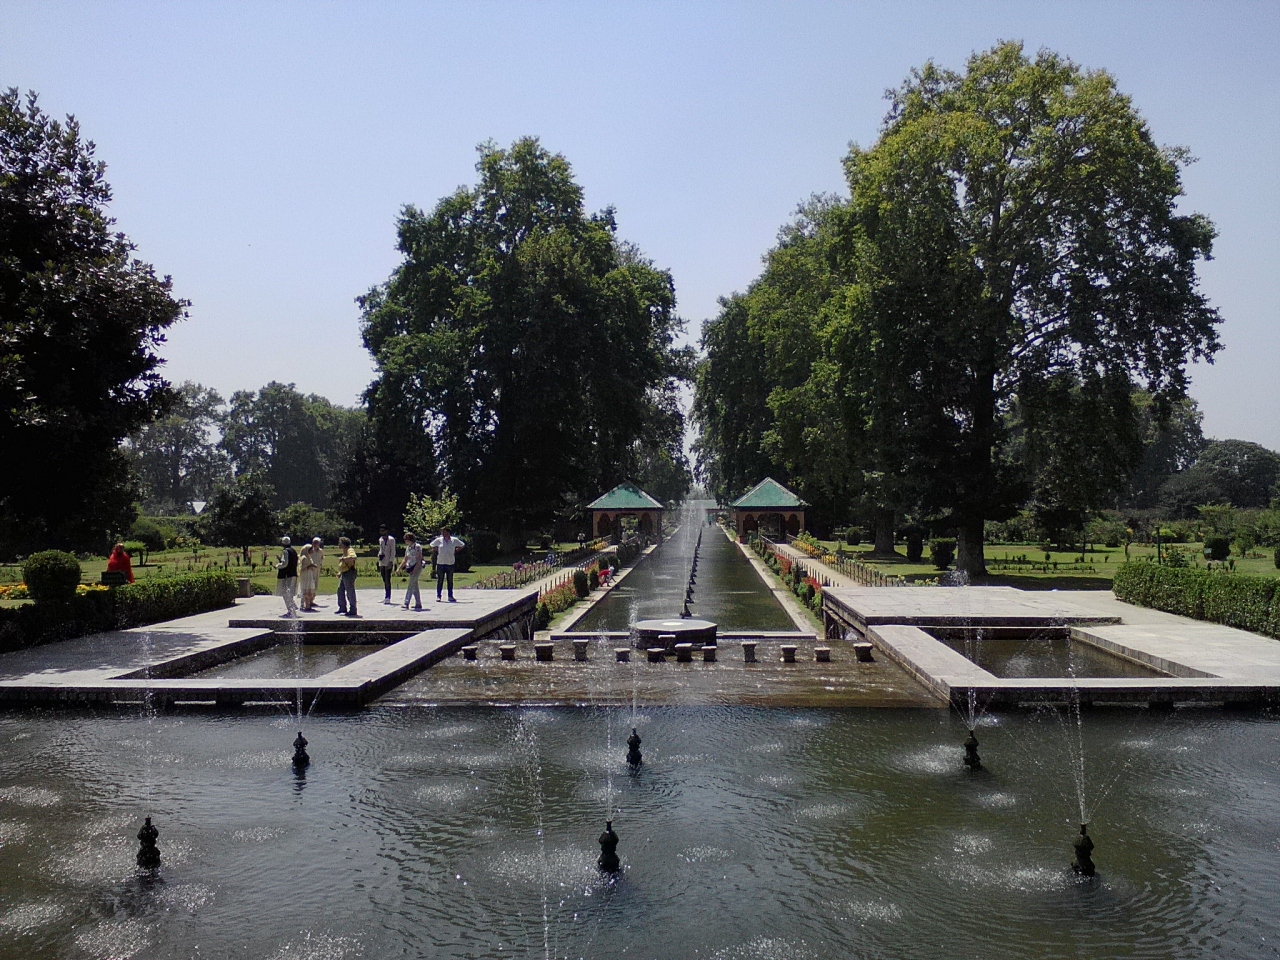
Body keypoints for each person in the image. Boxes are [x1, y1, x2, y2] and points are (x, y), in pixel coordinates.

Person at [429, 527, 464, 602]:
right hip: (440, 563)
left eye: (444, 532)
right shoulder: (439, 540)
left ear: (448, 532)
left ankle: (450, 596)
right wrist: (436, 549)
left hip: (450, 563)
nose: (443, 533)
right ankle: (438, 596)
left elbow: (462, 545)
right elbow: (431, 545)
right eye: (442, 532)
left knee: (450, 580)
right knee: (440, 580)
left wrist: (456, 550)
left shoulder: (454, 540)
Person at [399, 532, 424, 611]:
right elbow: (405, 558)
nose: (405, 541)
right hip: (410, 567)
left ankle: (406, 603)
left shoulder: (417, 547)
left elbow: (419, 560)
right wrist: (399, 568)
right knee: (414, 585)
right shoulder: (408, 548)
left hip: (417, 567)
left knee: (410, 585)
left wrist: (415, 570)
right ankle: (418, 603)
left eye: (406, 539)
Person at [335, 536, 359, 617]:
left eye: (340, 543)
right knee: (340, 590)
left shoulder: (350, 550)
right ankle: (342, 608)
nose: (339, 544)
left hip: (349, 573)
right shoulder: (345, 551)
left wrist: (343, 559)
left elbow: (354, 557)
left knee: (350, 591)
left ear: (344, 544)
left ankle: (353, 609)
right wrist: (340, 572)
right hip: (344, 573)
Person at [276, 536, 298, 618]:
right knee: (290, 592)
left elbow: (285, 563)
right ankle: (292, 607)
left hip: (286, 574)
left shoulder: (285, 551)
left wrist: (277, 566)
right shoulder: (293, 551)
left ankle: (291, 610)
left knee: (285, 593)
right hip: (293, 573)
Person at [298, 538, 323, 611]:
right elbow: (301, 568)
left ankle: (309, 603)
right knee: (305, 589)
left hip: (311, 574)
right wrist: (310, 566)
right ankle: (305, 604)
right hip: (306, 575)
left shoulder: (310, 556)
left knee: (310, 589)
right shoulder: (304, 558)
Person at [376, 524, 396, 605]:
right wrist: (379, 555)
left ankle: (388, 597)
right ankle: (385, 596)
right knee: (384, 579)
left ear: (386, 531)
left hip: (388, 561)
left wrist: (391, 562)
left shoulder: (391, 539)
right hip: (382, 561)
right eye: (380, 530)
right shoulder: (380, 539)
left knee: (388, 579)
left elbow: (393, 551)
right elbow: (380, 549)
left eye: (383, 530)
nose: (381, 532)